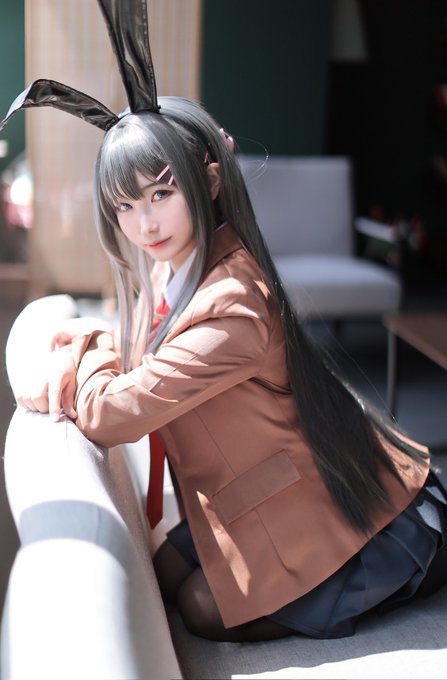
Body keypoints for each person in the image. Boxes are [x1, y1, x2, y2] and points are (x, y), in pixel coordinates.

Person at [15, 95, 447, 643]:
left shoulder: (233, 305)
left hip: (325, 500)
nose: (144, 223)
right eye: (124, 205)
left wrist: (86, 355)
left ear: (210, 181)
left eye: (161, 194)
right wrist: (86, 345)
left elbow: (108, 415)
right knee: (164, 573)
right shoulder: (174, 266)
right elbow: (139, 351)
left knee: (200, 608)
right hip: (251, 486)